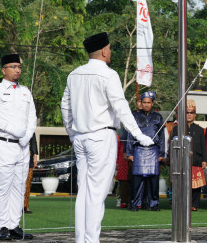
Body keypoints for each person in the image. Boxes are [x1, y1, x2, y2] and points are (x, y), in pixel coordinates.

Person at [61, 32, 153, 243]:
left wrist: (72, 133)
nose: (110, 52)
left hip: (81, 138)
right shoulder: (108, 75)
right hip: (101, 136)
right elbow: (120, 107)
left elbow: (65, 106)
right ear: (103, 51)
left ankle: (81, 239)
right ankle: (91, 240)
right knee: (96, 193)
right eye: (109, 49)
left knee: (85, 192)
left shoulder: (74, 74)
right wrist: (139, 135)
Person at [0, 54, 37, 240]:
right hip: (4, 144)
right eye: (13, 66)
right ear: (3, 70)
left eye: (19, 67)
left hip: (22, 146)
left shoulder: (25, 91)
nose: (17, 70)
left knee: (19, 187)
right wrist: (12, 129)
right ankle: (3, 226)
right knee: (3, 187)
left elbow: (33, 116)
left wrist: (27, 135)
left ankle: (14, 225)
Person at [126, 90, 164, 212]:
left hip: (153, 150)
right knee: (137, 180)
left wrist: (162, 153)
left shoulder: (158, 117)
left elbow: (162, 136)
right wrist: (129, 153)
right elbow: (129, 135)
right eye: (144, 102)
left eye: (149, 102)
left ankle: (154, 204)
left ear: (152, 103)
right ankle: (135, 204)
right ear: (141, 103)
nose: (146, 105)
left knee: (153, 180)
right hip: (138, 150)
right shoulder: (135, 116)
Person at [171, 99, 207, 211]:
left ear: (195, 114)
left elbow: (203, 146)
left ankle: (194, 205)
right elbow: (172, 146)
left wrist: (204, 160)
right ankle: (182, 204)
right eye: (187, 112)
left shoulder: (200, 130)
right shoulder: (177, 129)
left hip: (196, 161)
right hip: (181, 161)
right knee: (181, 185)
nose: (189, 115)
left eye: (191, 112)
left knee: (195, 186)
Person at [23, 134, 38, 213]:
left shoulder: (30, 126)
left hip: (29, 157)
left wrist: (35, 155)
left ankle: (26, 205)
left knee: (28, 182)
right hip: (18, 155)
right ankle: (17, 206)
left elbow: (33, 141)